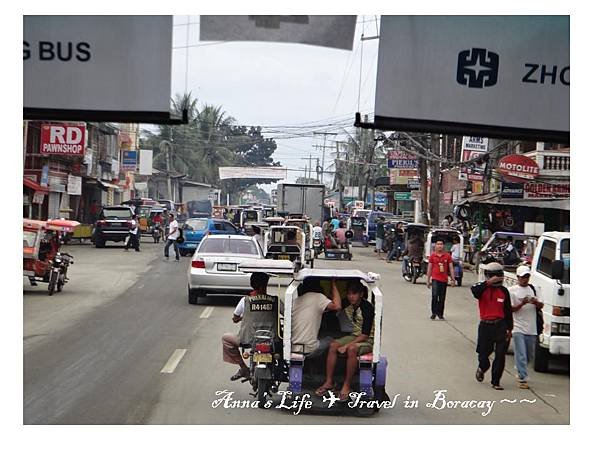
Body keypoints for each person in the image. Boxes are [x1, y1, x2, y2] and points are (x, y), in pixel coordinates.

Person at [315, 280, 375, 402]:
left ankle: (346, 385)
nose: (351, 297)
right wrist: (333, 285)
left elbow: (364, 335)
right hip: (354, 336)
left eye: (354, 294)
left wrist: (346, 345)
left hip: (367, 340)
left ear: (361, 294)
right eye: (349, 294)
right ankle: (329, 382)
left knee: (351, 349)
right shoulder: (348, 303)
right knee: (333, 345)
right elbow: (335, 305)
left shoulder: (367, 308)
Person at [221, 272, 278, 381]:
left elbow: (235, 318)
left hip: (249, 340)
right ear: (265, 285)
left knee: (226, 338)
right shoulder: (275, 300)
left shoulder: (245, 300)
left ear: (252, 285)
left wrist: (241, 318)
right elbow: (286, 313)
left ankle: (243, 368)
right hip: (272, 340)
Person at [471, 262, 514, 390]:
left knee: (500, 355)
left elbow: (508, 311)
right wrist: (489, 282)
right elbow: (474, 289)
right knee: (483, 354)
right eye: (494, 276)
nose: (497, 278)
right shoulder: (481, 289)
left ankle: (496, 381)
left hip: (500, 325)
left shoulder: (504, 291)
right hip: (485, 326)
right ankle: (482, 368)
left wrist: (510, 329)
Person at [509, 265, 544, 389]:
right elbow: (511, 309)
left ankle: (519, 368)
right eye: (523, 277)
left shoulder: (534, 289)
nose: (525, 279)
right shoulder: (512, 290)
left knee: (529, 355)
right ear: (518, 277)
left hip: (532, 328)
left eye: (527, 276)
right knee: (521, 353)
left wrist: (535, 302)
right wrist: (522, 303)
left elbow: (541, 305)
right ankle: (522, 377)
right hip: (518, 326)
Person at [291, 278, 342, 357]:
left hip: (293, 348)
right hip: (309, 348)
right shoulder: (318, 297)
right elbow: (337, 306)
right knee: (331, 339)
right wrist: (333, 284)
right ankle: (322, 368)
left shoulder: (295, 301)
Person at [427, 240, 455, 320]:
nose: (440, 246)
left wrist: (453, 279)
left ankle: (440, 314)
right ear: (435, 246)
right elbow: (429, 268)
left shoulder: (447, 256)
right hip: (435, 279)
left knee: (442, 298)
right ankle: (434, 313)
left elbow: (451, 268)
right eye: (438, 244)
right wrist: (428, 280)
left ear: (444, 246)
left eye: (441, 244)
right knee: (435, 296)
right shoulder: (432, 256)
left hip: (444, 280)